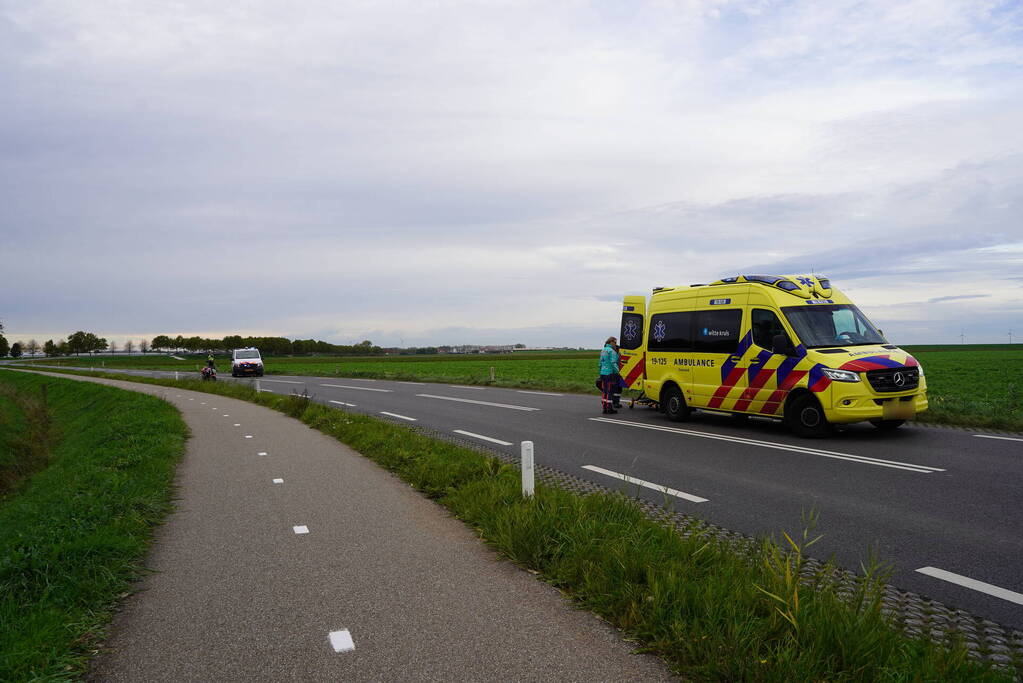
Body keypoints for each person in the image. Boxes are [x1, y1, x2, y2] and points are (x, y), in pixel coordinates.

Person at [599, 336, 620, 414]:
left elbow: (600, 363)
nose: (615, 344)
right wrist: (618, 372)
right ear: (611, 342)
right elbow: (613, 363)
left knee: (604, 391)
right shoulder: (612, 351)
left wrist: (600, 372)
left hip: (603, 373)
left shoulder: (603, 350)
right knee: (610, 391)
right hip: (610, 373)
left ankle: (604, 407)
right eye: (615, 342)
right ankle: (609, 408)